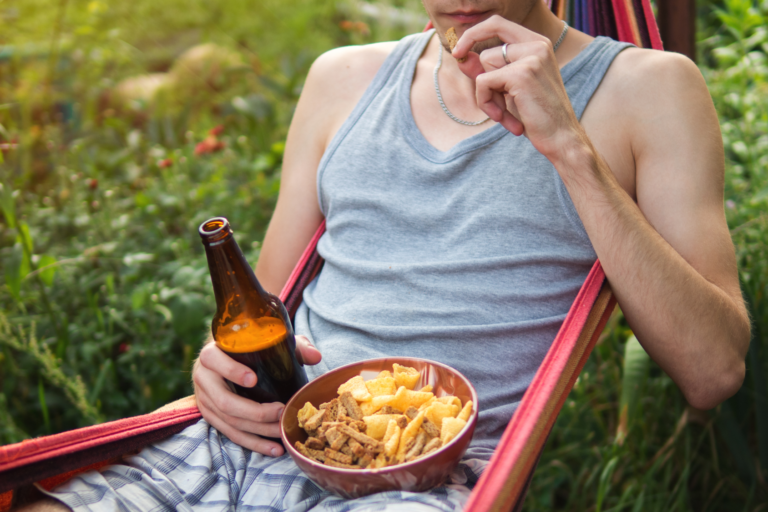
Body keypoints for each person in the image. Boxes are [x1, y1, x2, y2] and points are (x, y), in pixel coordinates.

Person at [22, 0, 750, 510]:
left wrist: (569, 149)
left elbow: (713, 370)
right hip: (261, 437)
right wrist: (214, 369)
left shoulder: (650, 89)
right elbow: (261, 305)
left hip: (428, 480)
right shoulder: (342, 77)